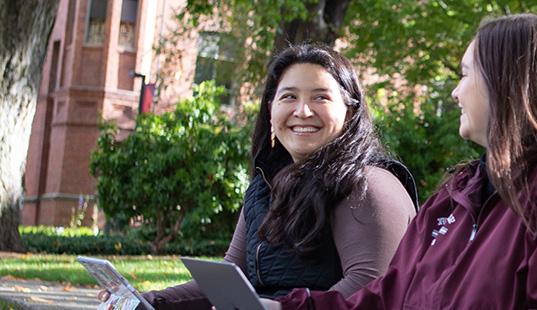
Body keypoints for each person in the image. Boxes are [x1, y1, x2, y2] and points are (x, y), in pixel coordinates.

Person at [264, 13, 537, 310]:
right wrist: (280, 308)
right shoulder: (460, 192)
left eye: (464, 75)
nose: (455, 92)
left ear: (506, 82)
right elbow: (385, 299)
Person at [103, 44, 418, 309]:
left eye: (320, 97)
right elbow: (230, 276)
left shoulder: (369, 184)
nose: (303, 111)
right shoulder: (266, 185)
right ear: (271, 109)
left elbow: (370, 289)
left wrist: (280, 308)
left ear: (350, 111)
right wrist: (144, 301)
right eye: (289, 97)